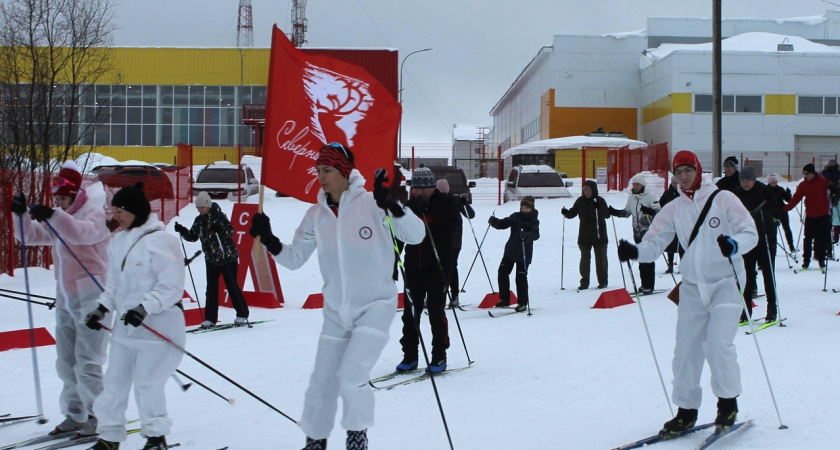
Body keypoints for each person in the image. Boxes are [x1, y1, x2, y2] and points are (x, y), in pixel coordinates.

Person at [248, 143, 424, 450]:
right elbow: (294, 259)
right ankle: (315, 440)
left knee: (352, 374)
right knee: (322, 382)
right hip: (335, 311)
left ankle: (357, 437)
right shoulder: (316, 215)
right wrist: (270, 239)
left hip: (375, 306)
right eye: (318, 170)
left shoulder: (372, 203)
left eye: (327, 170)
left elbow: (416, 234)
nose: (321, 176)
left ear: (344, 172)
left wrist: (394, 206)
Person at [616, 150, 758, 436]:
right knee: (685, 352)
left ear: (698, 170)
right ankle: (686, 411)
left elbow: (749, 232)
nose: (683, 177)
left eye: (687, 170)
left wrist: (734, 244)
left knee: (718, 344)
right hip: (693, 286)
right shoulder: (673, 208)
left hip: (726, 283)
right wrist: (636, 251)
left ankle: (728, 404)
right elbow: (655, 243)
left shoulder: (723, 199)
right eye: (678, 172)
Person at [11, 161, 111, 437]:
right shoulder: (62, 217)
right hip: (65, 296)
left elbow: (79, 234)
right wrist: (21, 216)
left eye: (64, 198)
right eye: (56, 199)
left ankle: (98, 416)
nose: (60, 203)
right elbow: (30, 236)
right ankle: (75, 413)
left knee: (87, 361)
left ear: (77, 194)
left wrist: (53, 216)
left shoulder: (95, 214)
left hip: (94, 296)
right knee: (66, 361)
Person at [83, 183, 186, 450]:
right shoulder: (118, 241)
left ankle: (155, 437)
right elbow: (114, 285)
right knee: (113, 384)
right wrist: (102, 309)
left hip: (159, 328)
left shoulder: (161, 241)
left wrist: (145, 307)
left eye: (120, 211)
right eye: (113, 210)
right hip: (125, 330)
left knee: (147, 384)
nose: (115, 216)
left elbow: (171, 286)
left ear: (135, 211)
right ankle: (110, 436)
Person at [398, 166, 461, 374]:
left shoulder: (446, 202)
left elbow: (450, 228)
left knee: (435, 311)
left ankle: (439, 356)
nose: (419, 192)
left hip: (438, 266)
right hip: (413, 267)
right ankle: (410, 355)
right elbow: (399, 233)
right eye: (416, 188)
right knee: (410, 313)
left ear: (432, 187)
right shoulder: (409, 206)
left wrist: (428, 211)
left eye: (424, 188)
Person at [174, 192, 249, 328]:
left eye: (202, 207)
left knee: (231, 286)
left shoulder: (219, 217)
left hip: (227, 257)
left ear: (208, 205)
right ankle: (210, 318)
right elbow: (193, 236)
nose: (200, 210)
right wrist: (183, 231)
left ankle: (242, 314)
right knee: (211, 289)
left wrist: (220, 229)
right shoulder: (199, 220)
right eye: (198, 208)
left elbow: (230, 231)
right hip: (211, 259)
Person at [734, 166, 780, 323]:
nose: (745, 183)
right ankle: (745, 311)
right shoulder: (738, 192)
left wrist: (768, 215)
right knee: (746, 275)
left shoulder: (763, 190)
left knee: (768, 273)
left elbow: (775, 207)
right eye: (743, 180)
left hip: (766, 237)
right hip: (748, 239)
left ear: (754, 180)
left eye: (748, 180)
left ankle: (772, 309)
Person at [610, 173, 661, 294]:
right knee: (640, 257)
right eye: (633, 184)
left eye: (637, 184)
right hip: (637, 233)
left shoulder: (650, 196)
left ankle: (649, 285)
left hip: (648, 232)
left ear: (642, 184)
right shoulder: (632, 198)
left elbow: (659, 212)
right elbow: (627, 213)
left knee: (648, 258)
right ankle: (644, 284)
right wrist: (615, 212)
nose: (635, 186)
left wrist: (649, 211)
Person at [488, 196, 540, 312]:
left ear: (531, 208)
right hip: (510, 251)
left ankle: (522, 303)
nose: (523, 209)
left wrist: (527, 235)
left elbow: (535, 234)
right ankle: (505, 299)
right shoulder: (516, 216)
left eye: (526, 208)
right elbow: (503, 224)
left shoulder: (533, 220)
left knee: (520, 278)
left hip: (524, 253)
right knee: (502, 272)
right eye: (522, 207)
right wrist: (495, 222)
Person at [561, 180, 612, 290]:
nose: (587, 192)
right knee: (584, 260)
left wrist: (599, 207)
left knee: (601, 260)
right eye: (585, 190)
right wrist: (566, 213)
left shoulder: (600, 200)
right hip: (584, 235)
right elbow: (573, 212)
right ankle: (584, 281)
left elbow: (607, 215)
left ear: (593, 190)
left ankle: (603, 281)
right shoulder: (580, 201)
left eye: (589, 190)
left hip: (599, 235)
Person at [783, 163, 831, 270]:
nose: (806, 176)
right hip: (810, 215)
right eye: (804, 174)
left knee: (821, 238)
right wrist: (784, 210)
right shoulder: (803, 185)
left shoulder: (823, 182)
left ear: (813, 173)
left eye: (808, 173)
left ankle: (822, 260)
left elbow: (833, 187)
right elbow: (796, 199)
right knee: (808, 239)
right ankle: (806, 261)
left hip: (823, 214)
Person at [436, 178, 475, 308]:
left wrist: (465, 204)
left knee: (451, 267)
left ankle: (454, 296)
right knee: (439, 268)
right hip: (440, 240)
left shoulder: (455, 201)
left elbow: (471, 215)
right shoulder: (435, 201)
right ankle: (437, 295)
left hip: (454, 241)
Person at [766, 175, 796, 252]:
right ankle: (773, 247)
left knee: (787, 228)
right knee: (773, 230)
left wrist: (788, 194)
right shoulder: (766, 190)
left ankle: (791, 246)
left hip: (782, 211)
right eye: (772, 182)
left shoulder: (780, 189)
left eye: (775, 182)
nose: (774, 183)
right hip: (772, 213)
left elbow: (788, 200)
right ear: (769, 182)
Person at [659, 177, 682, 273]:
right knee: (670, 244)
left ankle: (683, 265)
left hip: (681, 222)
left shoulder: (682, 193)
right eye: (673, 183)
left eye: (676, 183)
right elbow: (661, 202)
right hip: (670, 222)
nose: (674, 185)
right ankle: (670, 265)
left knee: (681, 244)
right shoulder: (667, 193)